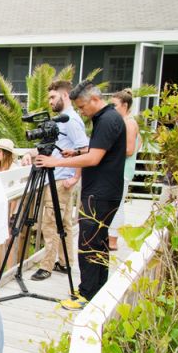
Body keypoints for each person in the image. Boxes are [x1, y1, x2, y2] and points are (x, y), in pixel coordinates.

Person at [34, 80, 126, 311]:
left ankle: (86, 294)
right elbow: (98, 151)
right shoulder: (108, 118)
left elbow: (93, 158)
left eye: (83, 107)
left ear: (94, 99)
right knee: (98, 243)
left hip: (100, 193)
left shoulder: (107, 120)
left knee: (88, 243)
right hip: (104, 191)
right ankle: (97, 289)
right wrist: (76, 152)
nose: (81, 112)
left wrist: (56, 162)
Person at [27, 80, 90, 281]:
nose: (50, 101)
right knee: (64, 223)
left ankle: (46, 266)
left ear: (64, 96)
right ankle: (65, 262)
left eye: (53, 97)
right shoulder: (64, 120)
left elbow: (83, 149)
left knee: (50, 224)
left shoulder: (70, 120)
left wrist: (75, 177)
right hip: (60, 178)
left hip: (60, 179)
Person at [107, 89, 142, 250]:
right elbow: (139, 143)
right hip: (121, 171)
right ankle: (111, 238)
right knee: (115, 205)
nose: (112, 109)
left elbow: (129, 149)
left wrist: (108, 151)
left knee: (117, 206)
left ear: (125, 105)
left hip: (122, 172)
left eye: (115, 105)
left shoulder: (129, 123)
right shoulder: (128, 122)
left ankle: (112, 240)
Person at [0, 138, 27, 271]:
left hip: (11, 210)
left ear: (6, 153)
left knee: (8, 240)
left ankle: (10, 269)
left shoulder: (14, 169)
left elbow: (15, 195)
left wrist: (10, 214)